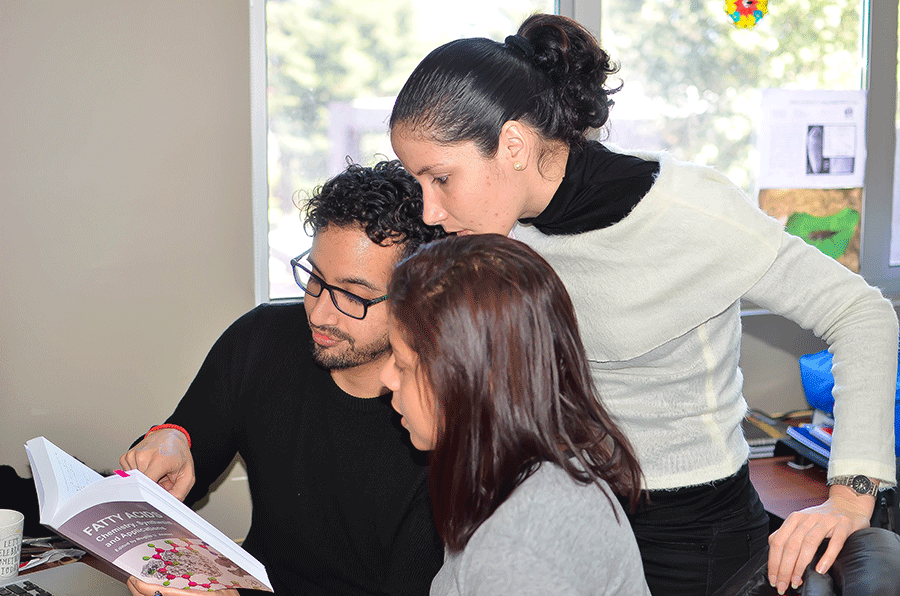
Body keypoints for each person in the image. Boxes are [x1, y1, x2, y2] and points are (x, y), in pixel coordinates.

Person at [388, 13, 899, 596]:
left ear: (513, 145)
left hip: (691, 536)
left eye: (441, 179)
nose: (430, 210)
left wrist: (851, 497)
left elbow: (861, 314)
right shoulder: (493, 231)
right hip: (561, 509)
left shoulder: (688, 213)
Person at [120, 160, 446, 596]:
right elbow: (182, 452)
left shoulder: (435, 426)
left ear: (420, 300)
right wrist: (172, 437)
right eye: (315, 278)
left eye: (353, 296)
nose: (320, 313)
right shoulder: (264, 338)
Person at [379, 233, 651, 596]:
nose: (386, 378)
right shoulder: (516, 480)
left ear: (474, 381)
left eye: (402, 364)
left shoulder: (520, 546)